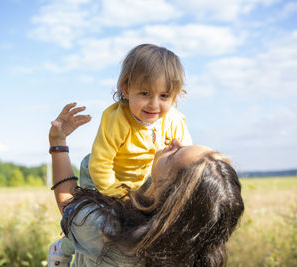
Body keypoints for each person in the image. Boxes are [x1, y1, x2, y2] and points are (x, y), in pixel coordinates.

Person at [47, 103, 244, 267]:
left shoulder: (108, 233)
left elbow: (68, 202)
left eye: (175, 154)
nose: (175, 140)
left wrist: (58, 143)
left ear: (165, 192)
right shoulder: (190, 251)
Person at [48, 43, 192, 265]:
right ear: (126, 89)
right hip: (102, 179)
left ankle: (67, 244)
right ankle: (64, 246)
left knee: (86, 227)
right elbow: (100, 165)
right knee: (87, 220)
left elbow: (185, 159)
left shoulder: (174, 120)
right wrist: (120, 197)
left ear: (175, 95)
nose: (154, 104)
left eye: (164, 95)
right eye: (144, 93)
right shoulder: (116, 119)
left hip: (141, 182)